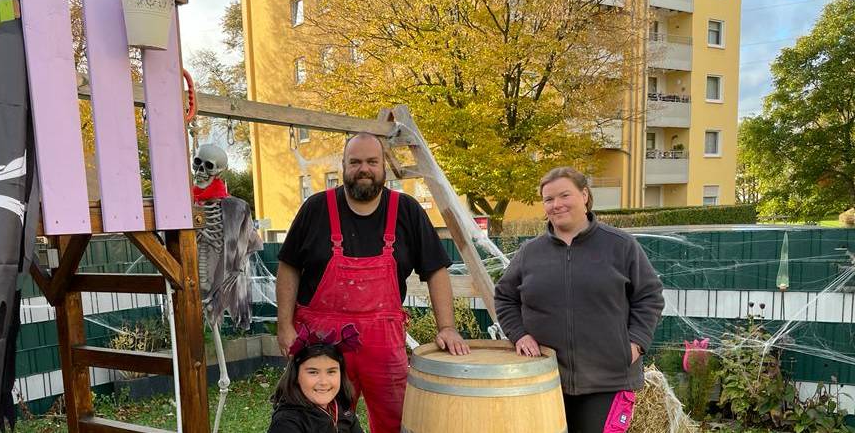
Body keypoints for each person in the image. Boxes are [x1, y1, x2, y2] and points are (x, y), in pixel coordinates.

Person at [276, 132, 470, 433]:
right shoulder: (315, 208)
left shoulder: (406, 210)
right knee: (317, 419)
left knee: (398, 420)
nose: (363, 168)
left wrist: (446, 326)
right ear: (343, 166)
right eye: (355, 162)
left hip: (384, 342)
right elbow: (288, 266)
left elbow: (436, 270)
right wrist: (284, 326)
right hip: (322, 343)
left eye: (371, 161)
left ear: (383, 168)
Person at [494, 167, 664, 433]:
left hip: (607, 381)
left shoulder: (620, 245)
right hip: (544, 379)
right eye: (549, 199)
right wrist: (519, 334)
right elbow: (504, 297)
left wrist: (635, 345)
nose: (556, 204)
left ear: (584, 195)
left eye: (564, 195)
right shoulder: (530, 253)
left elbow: (650, 296)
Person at [268, 324, 364, 433]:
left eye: (331, 371)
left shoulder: (343, 409)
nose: (323, 382)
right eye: (313, 372)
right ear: (296, 376)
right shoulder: (287, 422)